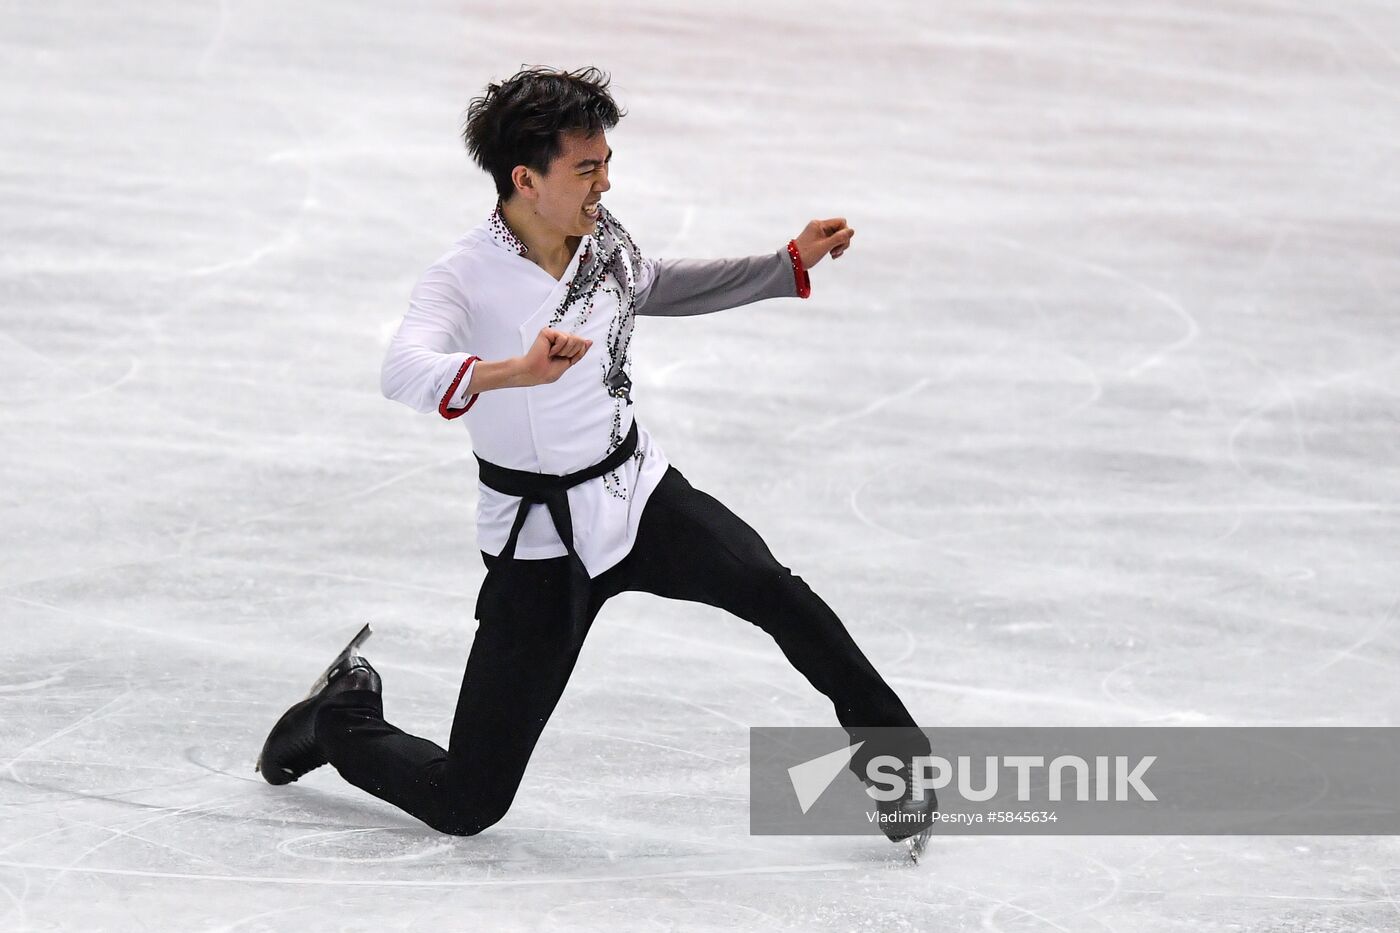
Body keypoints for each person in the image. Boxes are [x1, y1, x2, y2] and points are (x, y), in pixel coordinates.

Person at [257, 65, 933, 855]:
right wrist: (514, 371)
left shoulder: (601, 239)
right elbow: (401, 370)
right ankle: (339, 714)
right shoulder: (465, 277)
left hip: (635, 492)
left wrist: (784, 264)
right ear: (526, 179)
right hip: (540, 541)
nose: (604, 183)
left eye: (606, 163)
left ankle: (896, 765)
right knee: (467, 800)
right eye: (586, 168)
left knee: (775, 591)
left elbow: (649, 283)